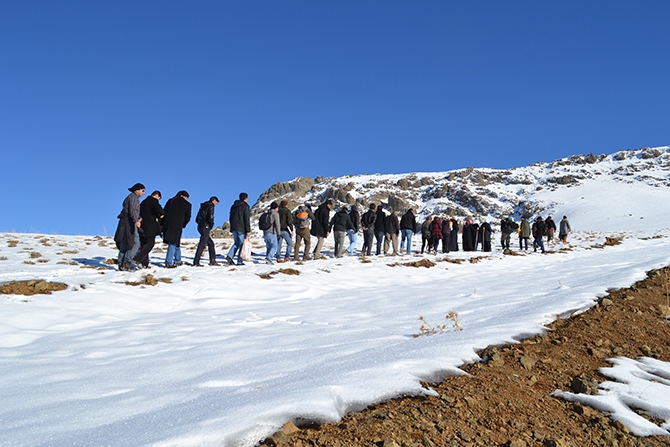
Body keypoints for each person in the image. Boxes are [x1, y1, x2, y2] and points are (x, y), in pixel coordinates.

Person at [114, 183, 146, 271]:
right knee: (135, 243)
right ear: (137, 190)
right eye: (142, 191)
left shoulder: (130, 197)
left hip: (125, 222)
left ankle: (121, 264)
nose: (143, 193)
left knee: (125, 243)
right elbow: (133, 210)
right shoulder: (133, 198)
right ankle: (127, 262)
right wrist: (136, 220)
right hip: (129, 223)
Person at [133, 190, 164, 268]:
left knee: (144, 244)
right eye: (159, 198)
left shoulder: (143, 202)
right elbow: (160, 210)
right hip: (150, 226)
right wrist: (161, 214)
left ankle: (144, 263)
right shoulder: (153, 200)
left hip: (142, 225)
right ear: (157, 195)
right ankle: (138, 258)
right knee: (150, 243)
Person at [162, 190, 192, 268]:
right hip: (177, 225)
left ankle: (178, 260)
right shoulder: (187, 204)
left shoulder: (171, 201)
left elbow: (164, 212)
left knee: (176, 241)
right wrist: (183, 224)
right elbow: (188, 217)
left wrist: (162, 224)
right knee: (173, 242)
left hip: (167, 224)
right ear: (184, 196)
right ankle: (168, 262)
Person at [193, 196, 219, 267]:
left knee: (210, 243)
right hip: (206, 227)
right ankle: (196, 261)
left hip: (200, 226)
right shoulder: (211, 206)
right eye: (216, 202)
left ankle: (212, 260)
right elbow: (210, 217)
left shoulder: (202, 206)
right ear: (213, 200)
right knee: (202, 244)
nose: (216, 204)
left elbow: (196, 218)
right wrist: (211, 225)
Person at [226, 193, 251, 265]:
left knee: (236, 243)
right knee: (242, 245)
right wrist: (248, 230)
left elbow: (230, 217)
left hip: (234, 227)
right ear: (246, 198)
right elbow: (246, 219)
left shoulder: (233, 206)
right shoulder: (245, 206)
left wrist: (231, 227)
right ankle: (239, 261)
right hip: (241, 228)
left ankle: (230, 256)